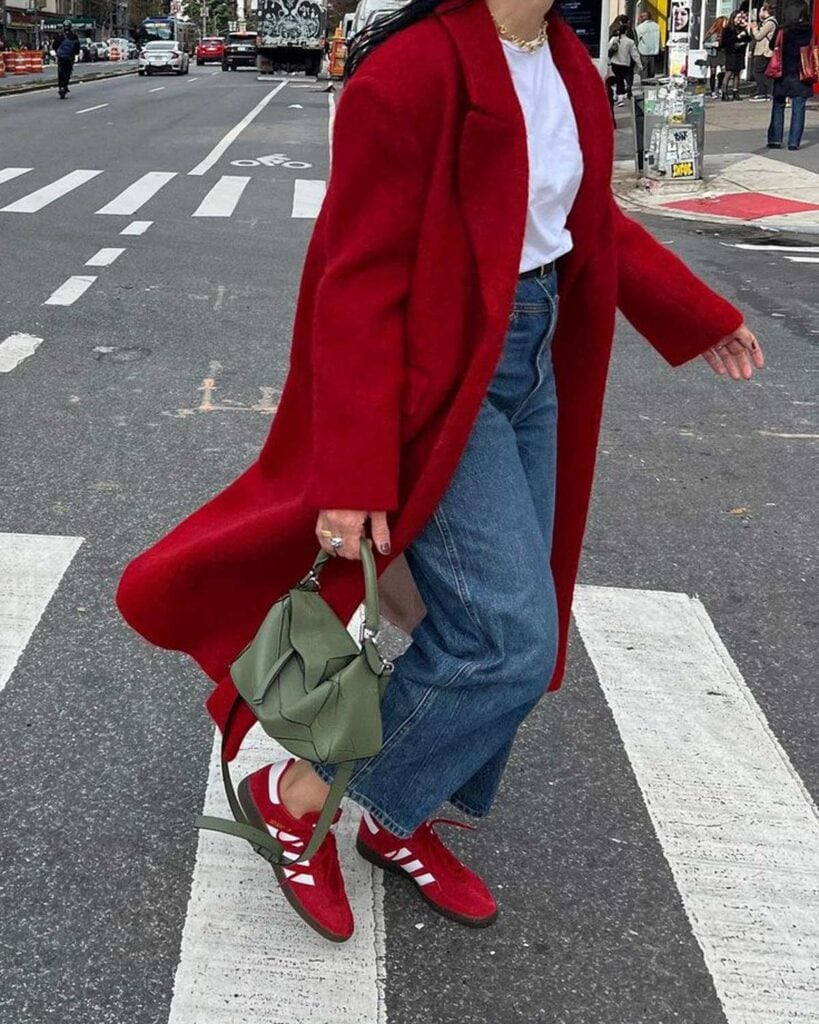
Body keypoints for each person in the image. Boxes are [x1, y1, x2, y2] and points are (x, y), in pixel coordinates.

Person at [117, 0, 763, 944]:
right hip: (442, 381)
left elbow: (590, 225)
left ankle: (390, 812)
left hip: (537, 358)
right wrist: (351, 467)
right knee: (506, 639)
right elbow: (358, 276)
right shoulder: (414, 71)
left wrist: (693, 310)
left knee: (489, 625)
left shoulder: (571, 67)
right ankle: (297, 796)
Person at [767, 0, 813, 150]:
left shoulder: (782, 30)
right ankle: (794, 142)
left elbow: (771, 45)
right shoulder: (809, 30)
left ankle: (775, 139)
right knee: (798, 107)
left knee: (778, 105)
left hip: (783, 72)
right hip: (802, 72)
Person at [609, 19, 643, 103]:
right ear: (626, 31)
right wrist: (639, 64)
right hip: (625, 63)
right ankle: (627, 88)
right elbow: (635, 54)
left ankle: (619, 96)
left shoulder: (614, 39)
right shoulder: (630, 42)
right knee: (628, 76)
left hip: (615, 63)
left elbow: (607, 49)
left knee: (618, 79)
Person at [749, 4, 778, 99]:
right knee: (765, 72)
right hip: (764, 50)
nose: (759, 13)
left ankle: (762, 92)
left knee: (757, 72)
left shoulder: (770, 23)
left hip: (764, 51)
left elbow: (759, 36)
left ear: (766, 12)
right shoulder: (768, 22)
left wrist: (754, 29)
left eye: (761, 11)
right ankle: (767, 91)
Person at [721, 9, 750, 100]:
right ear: (733, 18)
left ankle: (735, 92)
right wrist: (737, 37)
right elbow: (724, 42)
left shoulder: (741, 29)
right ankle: (724, 93)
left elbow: (749, 39)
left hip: (740, 53)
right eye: (737, 18)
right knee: (729, 72)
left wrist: (745, 30)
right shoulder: (728, 29)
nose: (739, 20)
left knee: (737, 73)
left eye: (740, 18)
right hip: (731, 53)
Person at [54, 21, 79, 98]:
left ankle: (61, 86)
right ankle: (64, 86)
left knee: (60, 72)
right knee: (67, 73)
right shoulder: (74, 36)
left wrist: (58, 53)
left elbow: (54, 46)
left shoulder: (60, 36)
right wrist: (74, 54)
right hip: (69, 58)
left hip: (61, 58)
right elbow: (77, 47)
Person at [703, 15, 727, 96]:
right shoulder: (713, 32)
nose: (726, 24)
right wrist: (712, 44)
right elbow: (705, 43)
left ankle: (719, 87)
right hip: (713, 54)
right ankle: (713, 91)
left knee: (724, 71)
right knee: (713, 72)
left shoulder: (726, 32)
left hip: (722, 53)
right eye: (724, 22)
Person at [636, 10, 661, 78]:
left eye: (641, 17)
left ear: (644, 18)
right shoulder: (657, 26)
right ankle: (651, 80)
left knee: (644, 68)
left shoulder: (640, 27)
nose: (639, 18)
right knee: (652, 68)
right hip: (654, 50)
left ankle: (644, 82)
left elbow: (637, 39)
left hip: (644, 50)